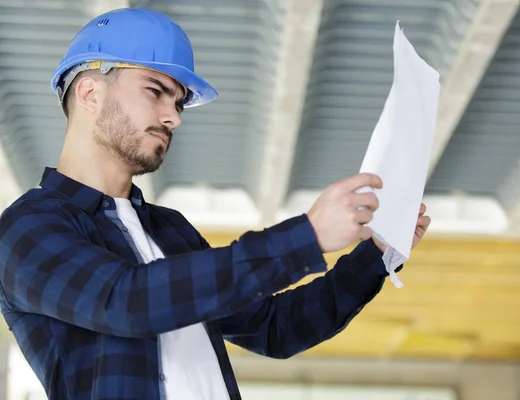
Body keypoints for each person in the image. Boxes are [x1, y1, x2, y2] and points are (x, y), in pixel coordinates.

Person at [0, 7, 431, 400]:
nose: (175, 117)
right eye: (156, 91)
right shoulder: (25, 230)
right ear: (90, 93)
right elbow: (127, 302)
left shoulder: (170, 230)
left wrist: (375, 254)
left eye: (179, 101)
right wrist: (308, 236)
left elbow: (277, 328)